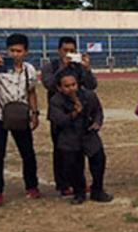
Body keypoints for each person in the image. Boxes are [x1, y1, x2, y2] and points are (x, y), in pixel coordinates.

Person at [0, 33, 41, 207]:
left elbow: (32, 92)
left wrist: (35, 113)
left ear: (25, 52)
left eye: (19, 51)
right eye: (11, 50)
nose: (14, 54)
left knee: (27, 152)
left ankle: (32, 186)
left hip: (20, 114)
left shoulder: (29, 70)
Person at [41, 36, 98, 195]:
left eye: (72, 51)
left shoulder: (78, 67)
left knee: (78, 150)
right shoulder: (50, 66)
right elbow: (49, 84)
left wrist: (87, 69)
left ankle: (78, 183)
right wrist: (62, 68)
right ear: (59, 50)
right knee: (61, 151)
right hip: (59, 114)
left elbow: (92, 85)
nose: (68, 54)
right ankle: (63, 184)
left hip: (79, 116)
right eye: (65, 50)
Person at [48, 70, 113, 204]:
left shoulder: (89, 96)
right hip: (68, 137)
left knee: (99, 159)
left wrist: (97, 122)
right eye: (67, 86)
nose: (71, 88)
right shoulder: (55, 101)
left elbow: (98, 111)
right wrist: (74, 113)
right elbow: (58, 120)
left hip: (88, 133)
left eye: (73, 84)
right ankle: (79, 193)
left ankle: (98, 190)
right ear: (59, 88)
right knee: (74, 167)